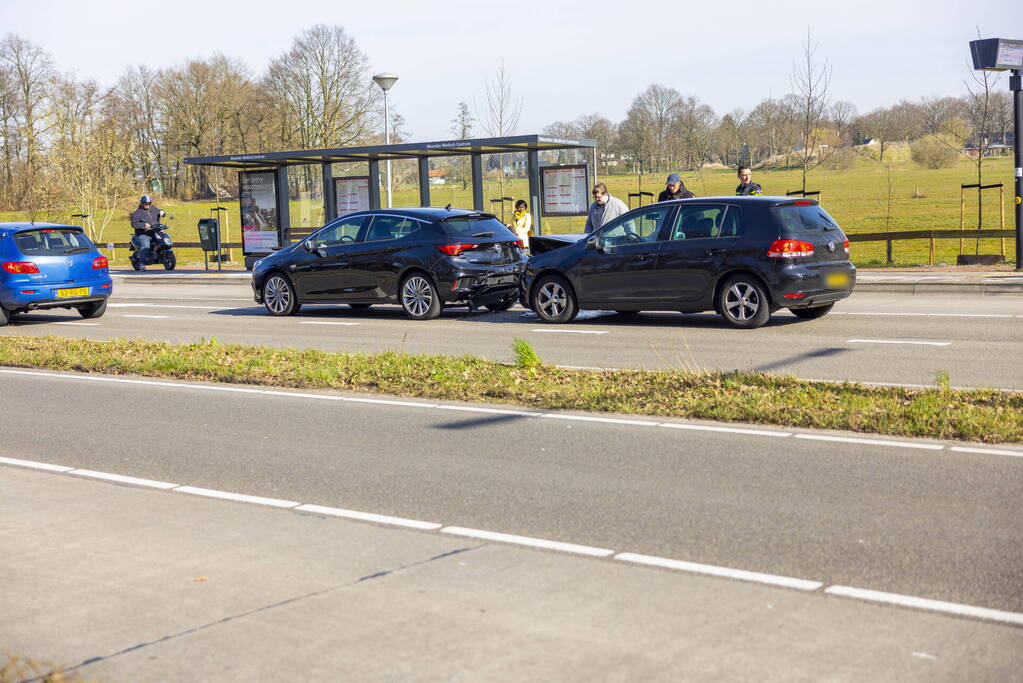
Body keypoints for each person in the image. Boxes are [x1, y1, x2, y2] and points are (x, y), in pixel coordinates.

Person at [129, 195, 161, 270]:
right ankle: (141, 264)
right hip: (142, 234)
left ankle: (157, 256)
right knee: (146, 246)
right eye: (145, 203)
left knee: (161, 241)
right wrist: (144, 225)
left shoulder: (153, 209)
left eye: (148, 203)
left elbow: (159, 211)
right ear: (141, 203)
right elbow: (133, 223)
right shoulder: (137, 213)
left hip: (153, 232)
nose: (147, 205)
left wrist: (162, 212)